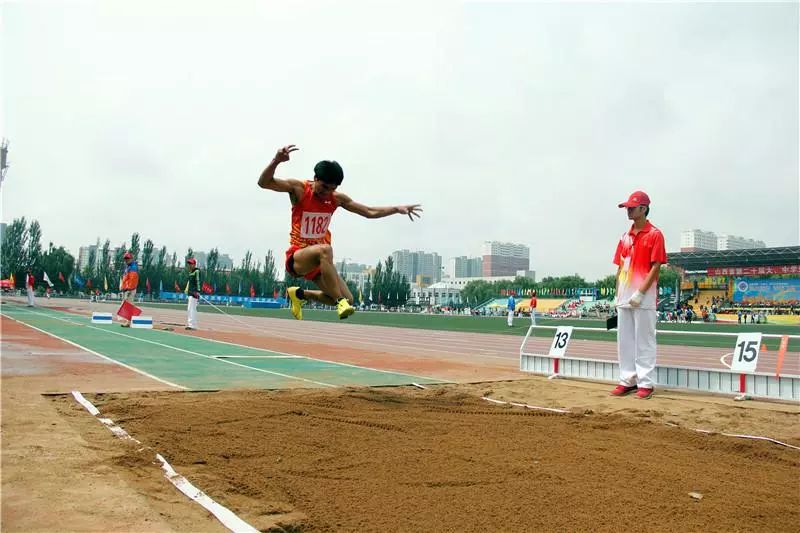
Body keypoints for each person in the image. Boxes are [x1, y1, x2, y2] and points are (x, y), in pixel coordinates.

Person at [258, 144, 422, 320]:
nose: (327, 192)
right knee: (325, 250)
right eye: (323, 187)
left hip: (320, 263)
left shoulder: (335, 199)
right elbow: (264, 183)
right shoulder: (299, 189)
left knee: (349, 299)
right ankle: (339, 302)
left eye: (332, 189)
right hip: (298, 257)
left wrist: (397, 208)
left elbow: (369, 211)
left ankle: (300, 295)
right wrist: (276, 161)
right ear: (315, 178)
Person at [610, 191, 667, 400]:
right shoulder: (624, 237)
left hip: (643, 297)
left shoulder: (654, 234)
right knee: (625, 341)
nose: (629, 211)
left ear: (644, 208)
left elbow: (656, 266)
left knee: (644, 341)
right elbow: (619, 267)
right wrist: (616, 294)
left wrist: (641, 292)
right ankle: (627, 380)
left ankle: (645, 383)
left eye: (632, 207)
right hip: (624, 296)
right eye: (627, 208)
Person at [119, 252, 140, 327]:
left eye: (128, 259)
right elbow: (126, 279)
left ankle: (128, 322)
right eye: (125, 259)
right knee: (127, 305)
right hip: (126, 289)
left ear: (131, 259)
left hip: (130, 289)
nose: (126, 260)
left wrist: (129, 289)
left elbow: (133, 279)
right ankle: (129, 320)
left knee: (129, 305)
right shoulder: (128, 267)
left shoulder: (132, 267)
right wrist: (123, 288)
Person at [185, 258, 201, 330]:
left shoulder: (197, 271)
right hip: (190, 293)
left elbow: (198, 281)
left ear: (194, 264)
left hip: (194, 293)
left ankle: (192, 325)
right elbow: (189, 283)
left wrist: (198, 291)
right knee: (190, 309)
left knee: (191, 309)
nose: (189, 265)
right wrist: (187, 290)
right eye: (189, 264)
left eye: (191, 264)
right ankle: (192, 324)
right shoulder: (190, 272)